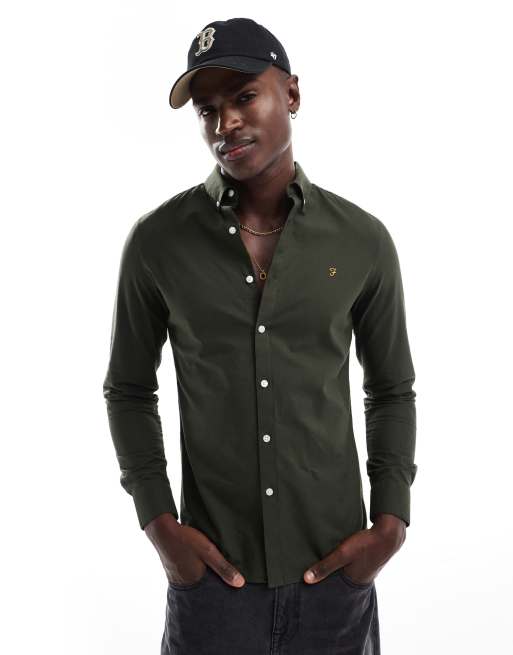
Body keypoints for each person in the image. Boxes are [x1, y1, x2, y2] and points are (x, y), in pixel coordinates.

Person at [102, 17, 418, 655]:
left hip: (336, 576)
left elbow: (391, 389)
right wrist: (160, 524)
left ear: (291, 94)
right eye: (207, 110)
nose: (225, 123)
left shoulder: (362, 240)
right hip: (213, 581)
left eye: (244, 96)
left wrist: (390, 522)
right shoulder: (158, 242)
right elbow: (129, 390)